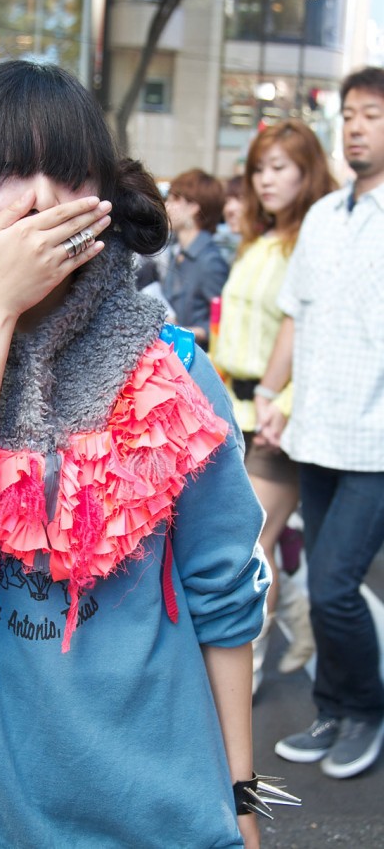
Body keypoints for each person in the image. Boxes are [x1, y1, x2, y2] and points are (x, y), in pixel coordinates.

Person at [0, 60, 283, 848]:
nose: (43, 198)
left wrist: (244, 803)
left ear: (104, 202)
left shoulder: (173, 371)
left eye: (69, 174)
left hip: (157, 813)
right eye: (11, 171)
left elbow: (224, 595)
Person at [256, 66, 384, 779]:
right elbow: (294, 315)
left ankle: (365, 708)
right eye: (350, 116)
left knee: (334, 586)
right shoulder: (327, 219)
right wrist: (270, 392)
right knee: (328, 588)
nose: (356, 127)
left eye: (371, 114)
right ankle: (334, 707)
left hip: (376, 444)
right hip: (318, 436)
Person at [214, 121, 335, 695]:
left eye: (280, 166)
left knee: (249, 551)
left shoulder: (315, 242)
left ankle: (244, 680)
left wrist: (283, 403)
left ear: (307, 170)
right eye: (259, 168)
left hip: (276, 420)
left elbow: (321, 336)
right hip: (232, 414)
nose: (265, 179)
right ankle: (300, 620)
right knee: (257, 544)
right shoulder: (258, 241)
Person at [162, 169, 230, 349]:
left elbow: (227, 321)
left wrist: (189, 331)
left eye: (174, 199)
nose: (166, 205)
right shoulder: (177, 252)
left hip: (199, 360)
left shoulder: (209, 260)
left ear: (194, 207)